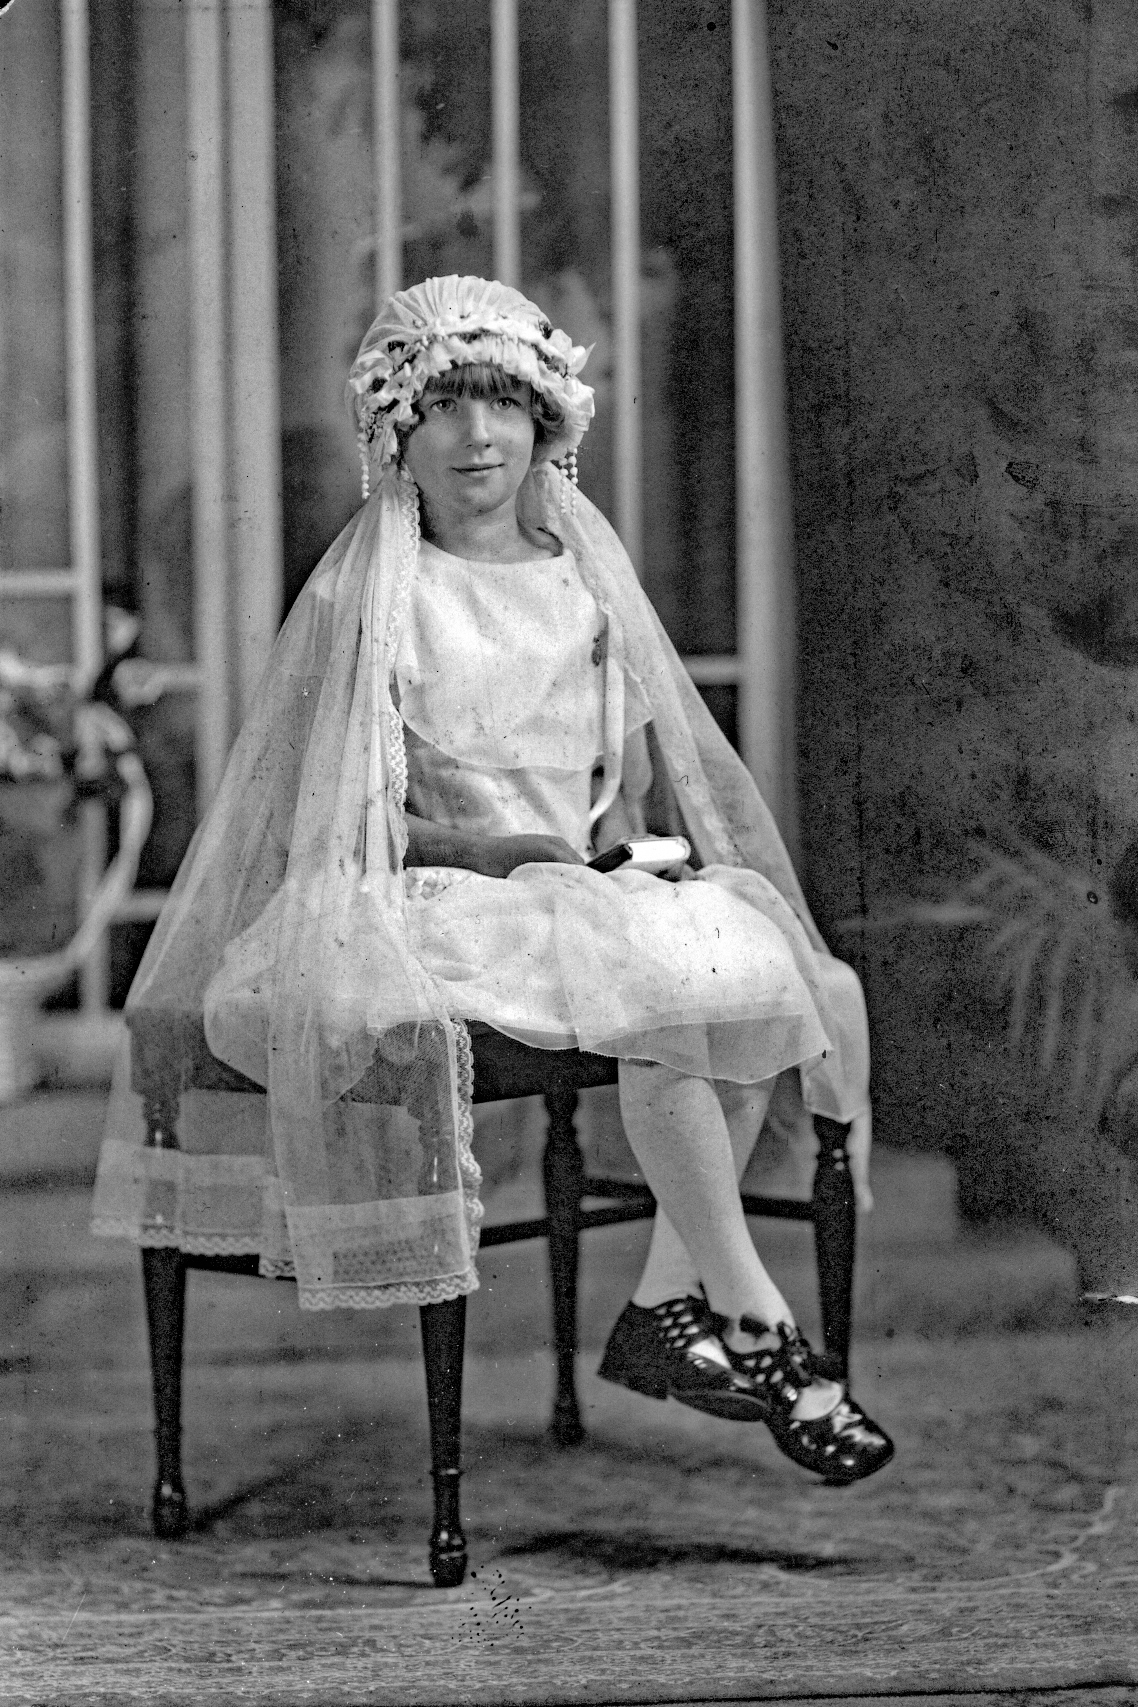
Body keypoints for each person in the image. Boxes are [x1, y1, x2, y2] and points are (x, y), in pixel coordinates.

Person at [92, 275, 892, 1486]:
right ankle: (749, 1323)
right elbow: (350, 820)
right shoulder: (379, 594)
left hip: (573, 893)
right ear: (396, 434)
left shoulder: (586, 584)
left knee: (733, 976)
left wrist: (632, 862)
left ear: (544, 422)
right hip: (432, 901)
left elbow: (621, 795)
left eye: (502, 405)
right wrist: (506, 856)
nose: (476, 437)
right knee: (674, 1003)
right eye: (443, 408)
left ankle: (679, 1301)